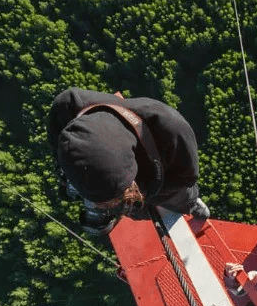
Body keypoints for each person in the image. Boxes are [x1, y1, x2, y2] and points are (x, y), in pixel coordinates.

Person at [48, 88, 210, 225]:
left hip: (163, 173)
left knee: (177, 196)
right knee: (131, 208)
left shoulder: (172, 130)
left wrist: (144, 191)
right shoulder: (68, 107)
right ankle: (132, 207)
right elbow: (59, 145)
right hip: (118, 155)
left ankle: (190, 204)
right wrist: (70, 176)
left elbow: (186, 179)